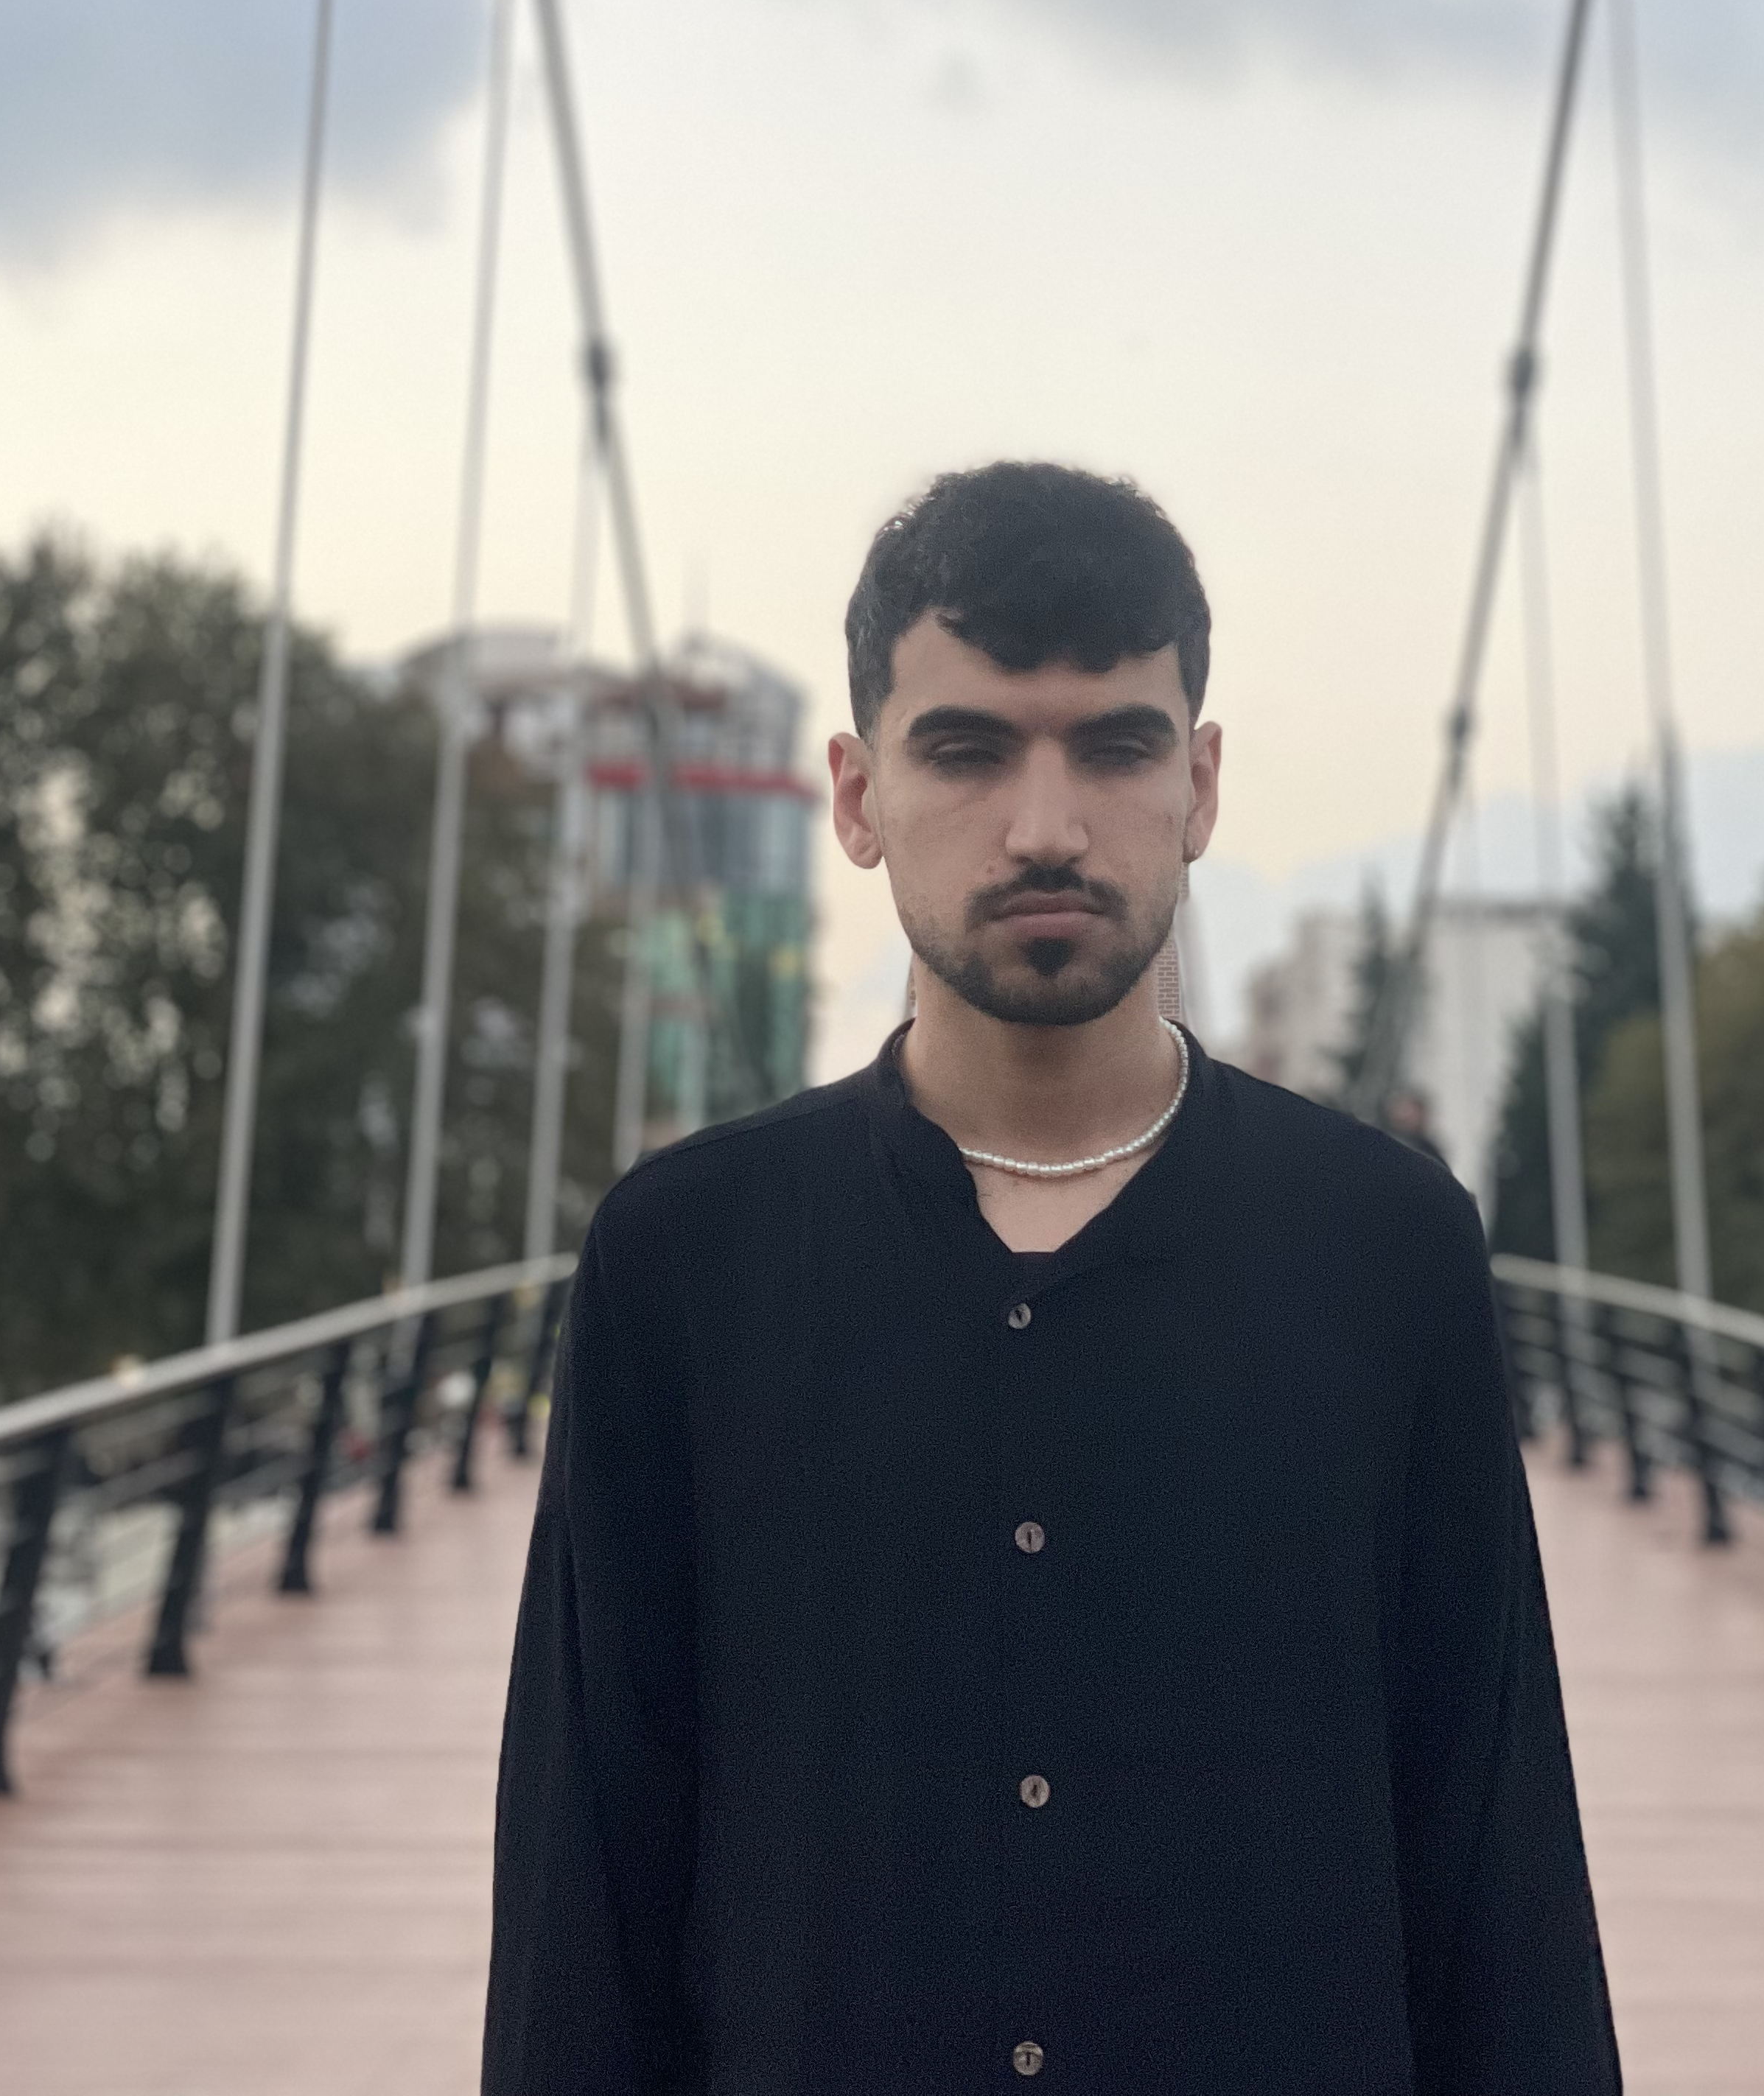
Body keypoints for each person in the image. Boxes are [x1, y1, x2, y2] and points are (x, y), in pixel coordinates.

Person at [483, 460, 1618, 2096]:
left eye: (1115, 745)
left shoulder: (1389, 1254)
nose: (1045, 825)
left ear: (1201, 785)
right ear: (859, 797)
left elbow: (1493, 1866)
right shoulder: (685, 1263)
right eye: (966, 748)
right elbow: (585, 1891)